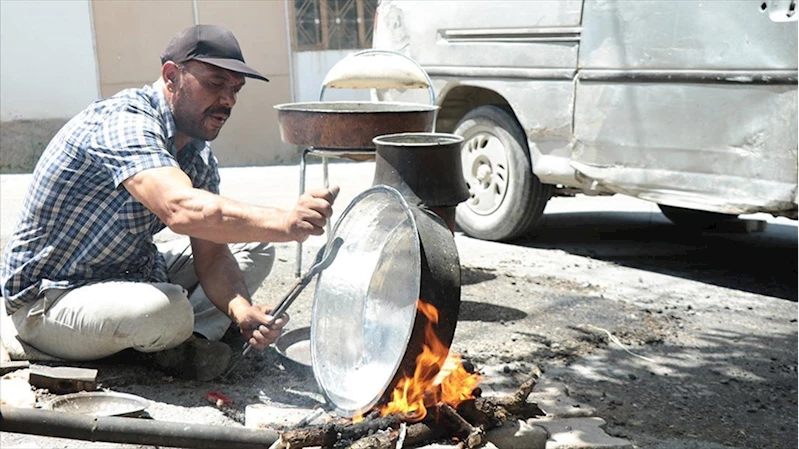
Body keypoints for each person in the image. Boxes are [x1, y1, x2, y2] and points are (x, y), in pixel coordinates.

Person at [0, 25, 338, 381]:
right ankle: (170, 337)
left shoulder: (197, 154)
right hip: (51, 299)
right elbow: (180, 209)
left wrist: (242, 310)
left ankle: (184, 341)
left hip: (127, 274)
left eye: (235, 89)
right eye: (215, 83)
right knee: (166, 310)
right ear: (171, 75)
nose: (229, 101)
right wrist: (286, 223)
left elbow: (213, 254)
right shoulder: (124, 122)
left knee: (256, 245)